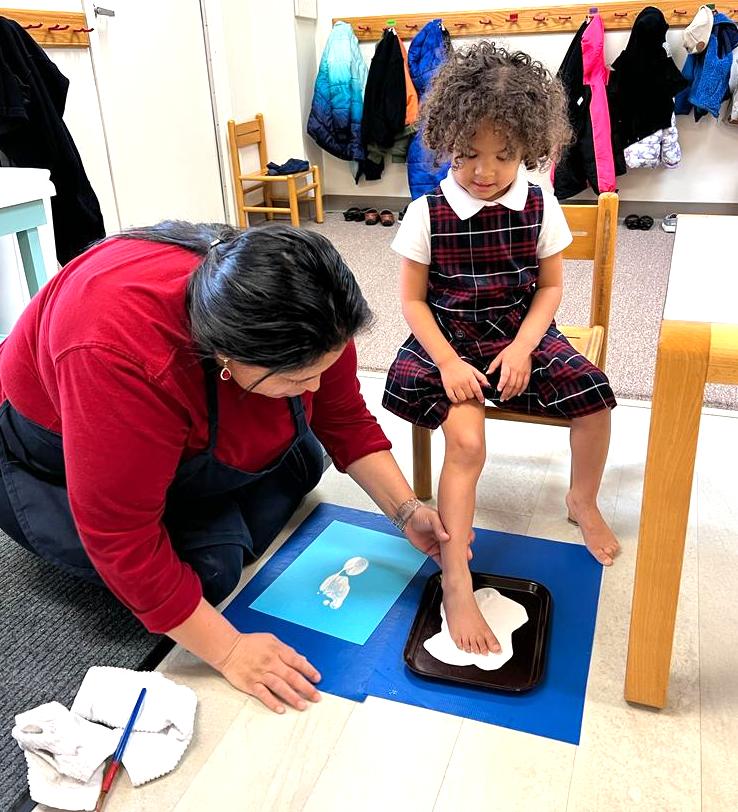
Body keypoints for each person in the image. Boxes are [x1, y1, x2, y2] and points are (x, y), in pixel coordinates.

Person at [0, 223, 464, 714]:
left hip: (169, 421)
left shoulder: (308, 306)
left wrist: (406, 510)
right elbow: (120, 533)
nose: (313, 387)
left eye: (320, 371)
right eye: (294, 379)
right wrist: (230, 650)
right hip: (47, 450)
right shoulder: (123, 356)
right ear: (224, 355)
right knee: (209, 574)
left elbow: (341, 414)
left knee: (306, 459)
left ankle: (190, 492)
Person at [383, 43, 620, 658]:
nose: (485, 171)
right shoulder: (426, 212)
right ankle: (455, 578)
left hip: (522, 328)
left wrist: (522, 349)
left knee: (594, 398)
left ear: (531, 149)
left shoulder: (540, 199)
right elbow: (412, 304)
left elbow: (551, 288)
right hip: (450, 335)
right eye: (468, 155)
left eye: (504, 155)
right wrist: (449, 363)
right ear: (446, 143)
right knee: (466, 442)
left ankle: (581, 499)